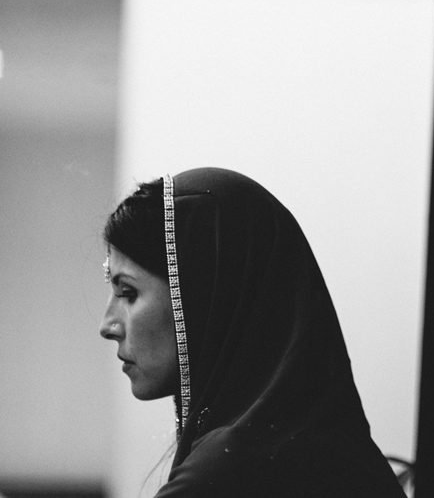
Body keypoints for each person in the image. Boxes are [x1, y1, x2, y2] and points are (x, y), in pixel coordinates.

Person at [100, 167, 404, 496]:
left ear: (206, 297)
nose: (108, 326)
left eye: (128, 293)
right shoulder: (332, 448)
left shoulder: (231, 472)